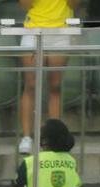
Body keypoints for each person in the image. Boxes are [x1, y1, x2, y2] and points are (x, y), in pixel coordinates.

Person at [18, 0, 77, 154]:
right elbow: (24, 4)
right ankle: (26, 137)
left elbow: (74, 4)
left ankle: (54, 139)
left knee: (55, 86)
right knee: (30, 85)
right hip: (34, 29)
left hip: (61, 30)